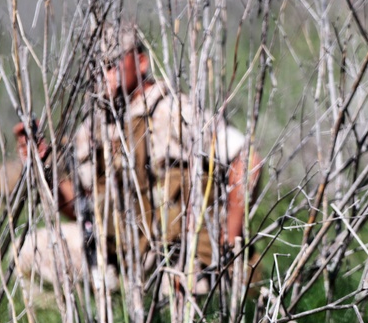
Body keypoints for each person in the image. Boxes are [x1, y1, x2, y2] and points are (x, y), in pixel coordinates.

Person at [14, 21, 262, 294]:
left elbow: (247, 160)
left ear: (141, 62)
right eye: (94, 68)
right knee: (26, 250)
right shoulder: (93, 128)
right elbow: (79, 207)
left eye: (111, 65)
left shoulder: (172, 109)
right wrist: (43, 167)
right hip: (119, 257)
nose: (102, 75)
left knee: (179, 292)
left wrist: (229, 241)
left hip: (179, 259)